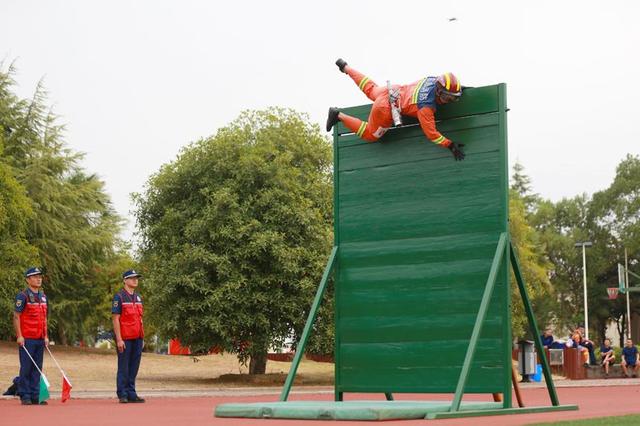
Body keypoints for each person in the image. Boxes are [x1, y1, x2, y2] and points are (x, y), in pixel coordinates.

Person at [326, 58, 466, 161]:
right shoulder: (426, 108)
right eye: (448, 98)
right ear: (438, 92)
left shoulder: (432, 79)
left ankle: (346, 67)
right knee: (371, 134)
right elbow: (431, 134)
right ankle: (338, 115)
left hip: (392, 90)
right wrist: (450, 145)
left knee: (371, 89)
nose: (449, 101)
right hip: (385, 109)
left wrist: (457, 90)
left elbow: (448, 87)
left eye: (453, 98)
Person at [13, 267, 49, 405]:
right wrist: (19, 336)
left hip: (40, 338)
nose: (38, 279)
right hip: (27, 338)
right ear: (28, 280)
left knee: (37, 368)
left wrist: (46, 336)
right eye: (35, 276)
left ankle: (36, 395)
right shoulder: (23, 296)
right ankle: (25, 395)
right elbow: (16, 316)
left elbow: (44, 318)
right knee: (26, 367)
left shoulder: (43, 297)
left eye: (39, 276)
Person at [112, 269, 145, 403]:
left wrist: (143, 337)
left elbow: (140, 318)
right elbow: (115, 319)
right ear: (125, 280)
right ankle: (123, 393)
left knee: (134, 367)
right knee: (124, 367)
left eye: (136, 278)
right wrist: (119, 339)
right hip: (125, 338)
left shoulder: (138, 297)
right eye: (132, 278)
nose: (135, 280)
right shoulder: (119, 297)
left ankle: (132, 392)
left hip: (137, 337)